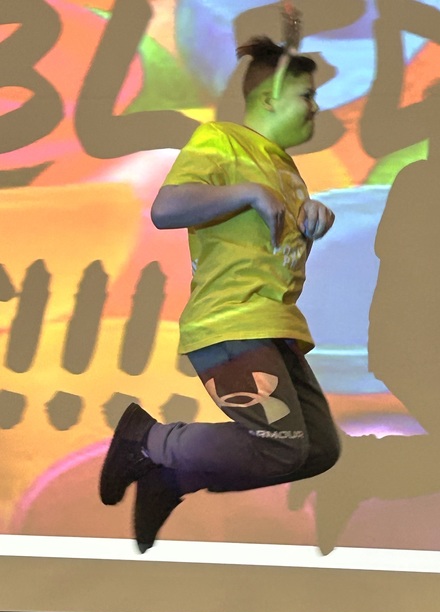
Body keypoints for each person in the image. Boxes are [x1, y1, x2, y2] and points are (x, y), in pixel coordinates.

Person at [99, 35, 340, 553]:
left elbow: (270, 248)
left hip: (276, 325)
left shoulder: (286, 170)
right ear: (271, 98)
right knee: (282, 446)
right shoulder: (222, 139)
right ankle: (149, 441)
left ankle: (171, 475)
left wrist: (311, 216)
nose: (315, 108)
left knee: (318, 450)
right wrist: (247, 192)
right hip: (232, 322)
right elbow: (166, 208)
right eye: (306, 96)